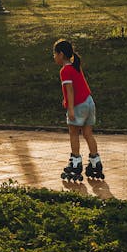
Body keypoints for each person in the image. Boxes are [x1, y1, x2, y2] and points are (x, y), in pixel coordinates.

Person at [52, 39, 104, 181]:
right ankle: (95, 162)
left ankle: (75, 163)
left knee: (73, 133)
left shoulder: (65, 70)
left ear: (61, 54)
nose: (54, 57)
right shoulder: (76, 66)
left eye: (54, 54)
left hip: (78, 105)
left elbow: (70, 91)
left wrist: (71, 109)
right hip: (89, 102)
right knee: (88, 133)